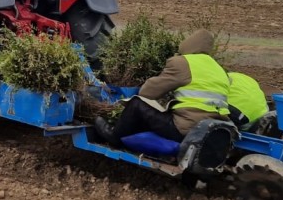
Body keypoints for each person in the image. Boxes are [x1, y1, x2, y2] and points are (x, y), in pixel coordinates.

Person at [94, 29, 231, 146]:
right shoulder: (220, 70)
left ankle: (114, 136)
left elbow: (147, 92)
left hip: (185, 130)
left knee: (137, 104)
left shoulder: (183, 63)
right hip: (211, 130)